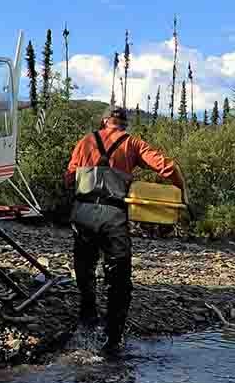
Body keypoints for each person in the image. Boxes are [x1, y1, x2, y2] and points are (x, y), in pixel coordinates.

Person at [64, 106, 187, 354]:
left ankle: (87, 315)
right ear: (124, 124)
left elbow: (68, 178)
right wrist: (182, 191)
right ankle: (113, 338)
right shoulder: (132, 143)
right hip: (113, 215)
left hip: (83, 212)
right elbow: (169, 168)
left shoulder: (85, 141)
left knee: (85, 264)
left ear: (104, 121)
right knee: (118, 275)